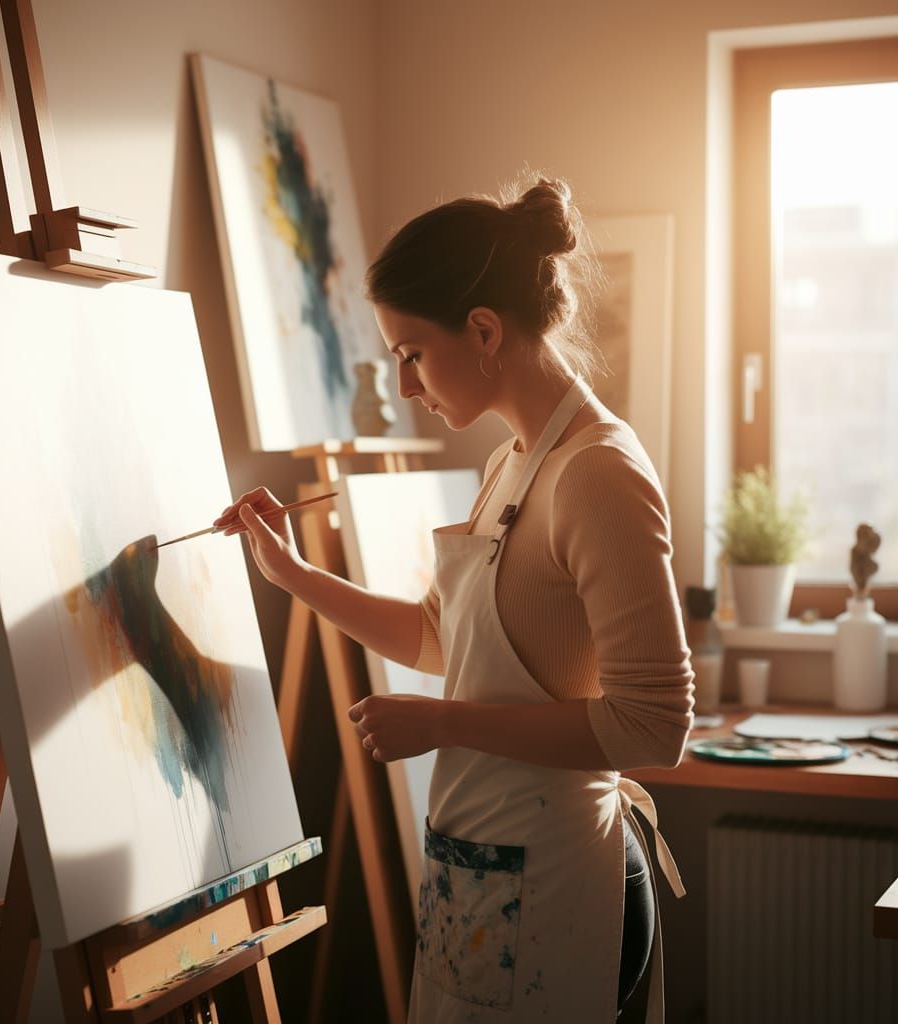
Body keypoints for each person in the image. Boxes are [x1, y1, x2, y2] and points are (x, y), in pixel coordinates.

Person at [213, 176, 694, 1023]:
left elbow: (655, 724)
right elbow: (445, 641)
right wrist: (295, 578)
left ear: (482, 331)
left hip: (561, 874)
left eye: (409, 354)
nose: (404, 386)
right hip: (484, 866)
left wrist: (441, 724)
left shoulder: (599, 474)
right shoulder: (511, 461)